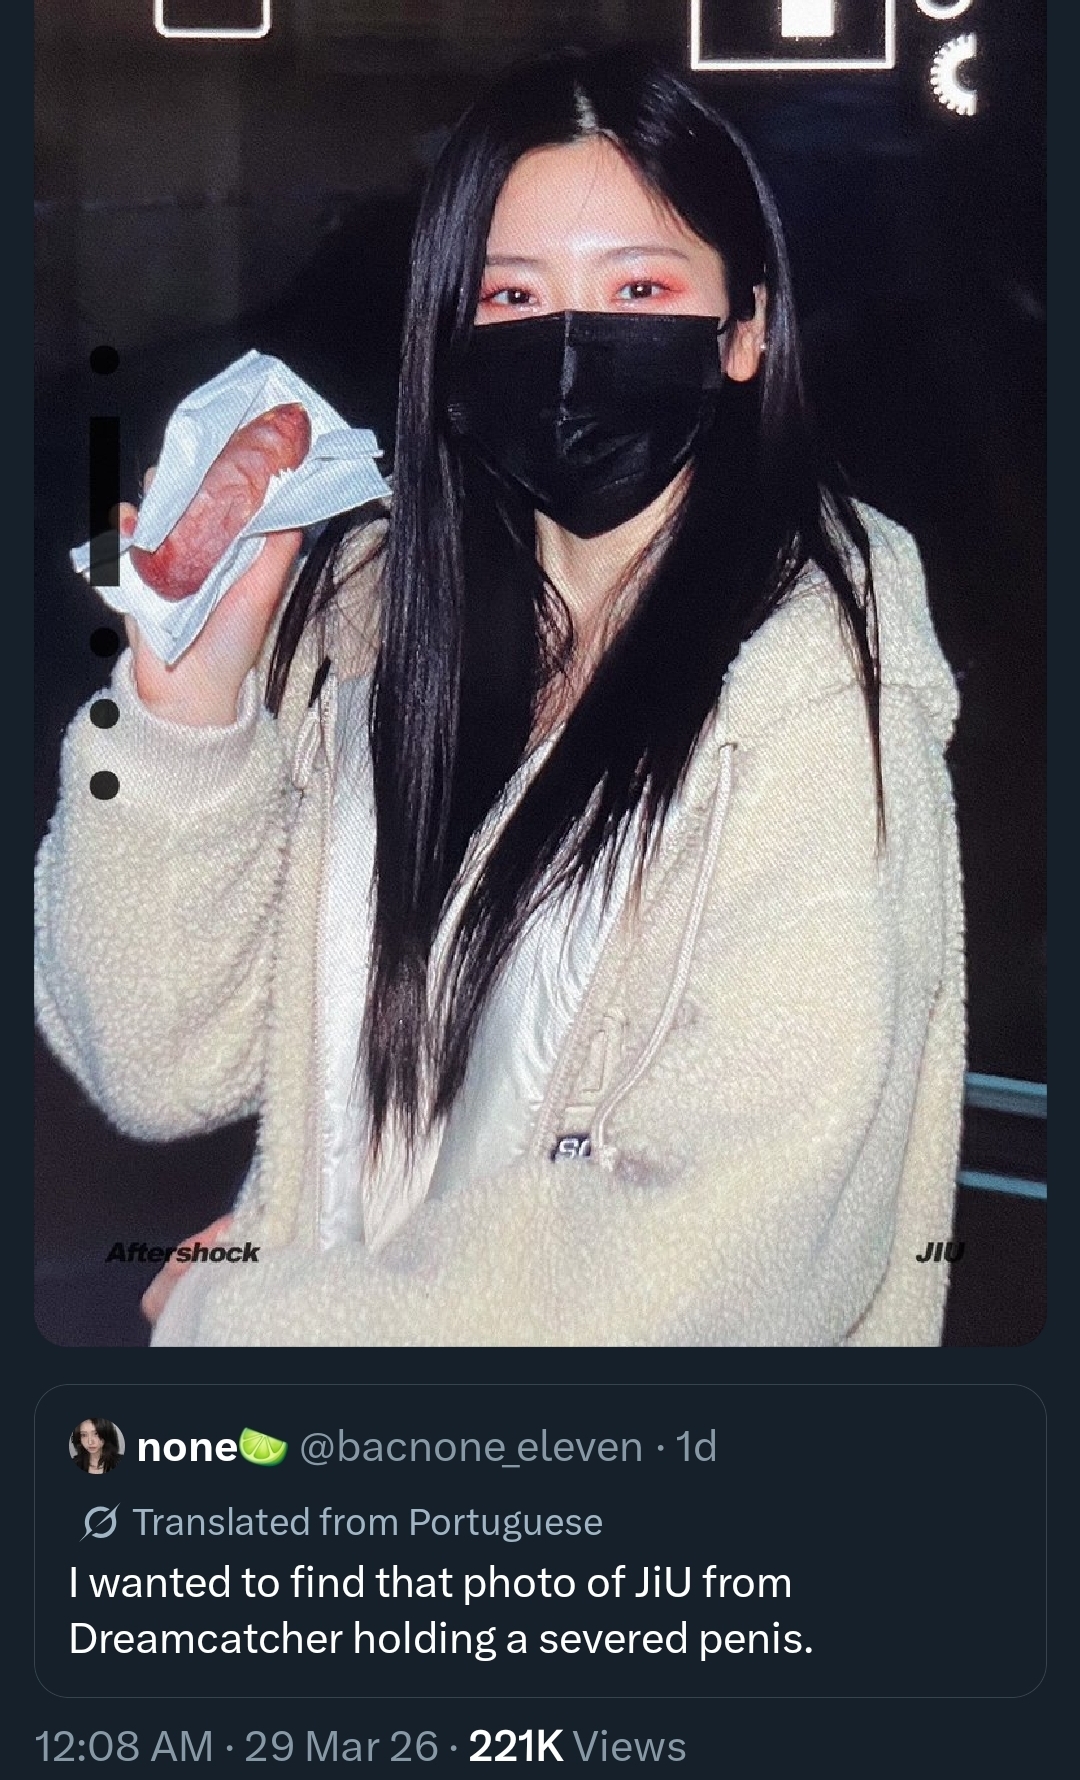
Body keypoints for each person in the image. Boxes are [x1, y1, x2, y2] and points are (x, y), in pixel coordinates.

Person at [34, 47, 965, 1348]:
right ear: (453, 340)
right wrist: (188, 700)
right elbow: (153, 1059)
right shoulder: (373, 629)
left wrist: (265, 1326)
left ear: (747, 329)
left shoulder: (817, 688)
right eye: (514, 295)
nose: (571, 347)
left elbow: (732, 1252)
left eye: (638, 287)